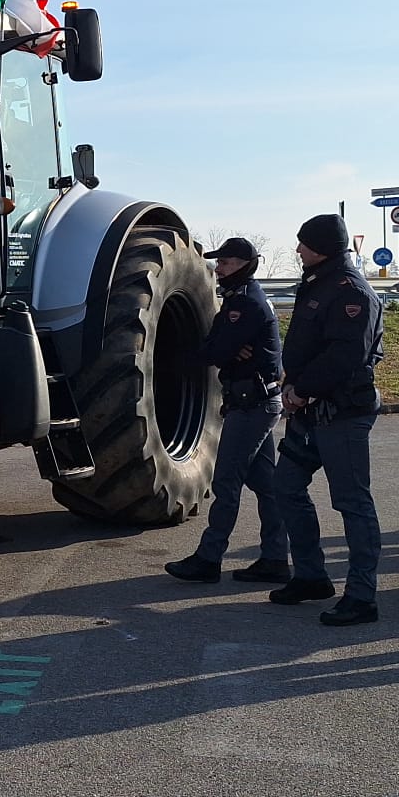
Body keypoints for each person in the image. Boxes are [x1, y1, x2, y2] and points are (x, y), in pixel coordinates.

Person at [266, 214, 386, 626]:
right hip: (312, 412)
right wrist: (293, 386)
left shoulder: (351, 291)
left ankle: (362, 596)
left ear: (322, 246)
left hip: (342, 413)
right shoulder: (319, 283)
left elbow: (344, 355)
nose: (297, 249)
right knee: (285, 486)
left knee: (352, 502)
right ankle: (312, 576)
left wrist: (303, 389)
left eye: (303, 243)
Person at [164, 237, 289, 585]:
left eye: (228, 263)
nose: (219, 269)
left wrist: (223, 350)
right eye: (220, 263)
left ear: (246, 265)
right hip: (252, 402)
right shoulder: (238, 300)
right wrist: (225, 349)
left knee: (226, 482)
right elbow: (216, 345)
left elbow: (214, 352)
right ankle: (276, 557)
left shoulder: (246, 304)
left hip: (253, 404)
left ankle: (209, 558)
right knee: (266, 484)